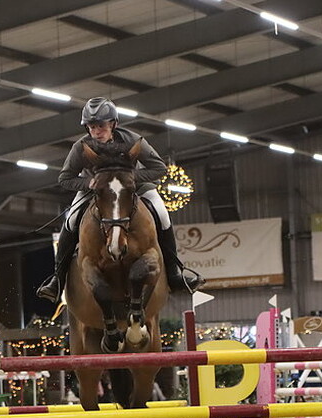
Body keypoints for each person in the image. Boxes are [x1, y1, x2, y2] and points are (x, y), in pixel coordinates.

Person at [36, 97, 204, 303]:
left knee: (162, 214)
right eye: (92, 127)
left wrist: (131, 178)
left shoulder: (132, 140)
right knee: (71, 220)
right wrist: (88, 183)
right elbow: (65, 178)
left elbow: (159, 168)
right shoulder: (81, 147)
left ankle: (175, 273)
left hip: (134, 188)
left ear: (113, 124)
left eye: (101, 126)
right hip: (97, 190)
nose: (97, 131)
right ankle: (57, 280)